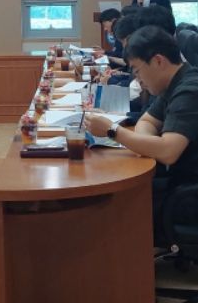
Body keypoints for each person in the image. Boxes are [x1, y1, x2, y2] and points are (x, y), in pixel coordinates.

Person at [84, 26, 198, 242]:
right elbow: (147, 121)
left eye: (137, 71)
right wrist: (150, 144)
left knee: (108, 204)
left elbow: (168, 152)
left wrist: (112, 131)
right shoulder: (173, 83)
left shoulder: (189, 90)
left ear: (158, 61)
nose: (138, 79)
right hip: (175, 179)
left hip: (186, 194)